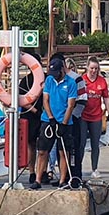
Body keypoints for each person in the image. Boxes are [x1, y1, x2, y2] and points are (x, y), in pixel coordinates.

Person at [30, 57, 77, 190]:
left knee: (63, 152)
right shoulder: (50, 80)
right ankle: (38, 180)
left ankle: (63, 180)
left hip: (64, 121)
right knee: (42, 151)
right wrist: (50, 118)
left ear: (62, 69)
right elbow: (46, 100)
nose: (54, 76)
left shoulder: (71, 83)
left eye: (56, 73)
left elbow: (70, 105)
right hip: (48, 120)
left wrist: (63, 123)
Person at [80, 56, 109, 179]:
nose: (94, 71)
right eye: (92, 68)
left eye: (96, 69)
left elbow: (106, 98)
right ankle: (78, 168)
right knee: (81, 143)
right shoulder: (82, 80)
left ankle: (94, 168)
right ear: (87, 67)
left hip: (96, 116)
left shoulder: (102, 81)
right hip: (83, 116)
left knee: (95, 144)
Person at [19, 52, 45, 184]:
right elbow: (21, 99)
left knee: (44, 146)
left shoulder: (46, 79)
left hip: (44, 114)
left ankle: (43, 171)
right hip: (30, 114)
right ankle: (31, 172)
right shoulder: (25, 81)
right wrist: (36, 111)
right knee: (31, 144)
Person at [64, 57, 87, 181]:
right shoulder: (55, 79)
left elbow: (83, 99)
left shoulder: (77, 78)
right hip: (62, 119)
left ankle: (76, 174)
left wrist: (73, 116)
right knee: (62, 149)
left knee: (74, 148)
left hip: (73, 118)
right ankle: (64, 175)